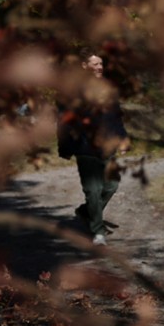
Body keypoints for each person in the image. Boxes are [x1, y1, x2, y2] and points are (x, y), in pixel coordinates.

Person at [57, 50, 130, 246]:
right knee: (93, 190)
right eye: (95, 64)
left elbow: (116, 118)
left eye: (101, 64)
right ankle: (98, 231)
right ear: (84, 66)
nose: (99, 67)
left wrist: (122, 139)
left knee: (112, 185)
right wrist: (64, 147)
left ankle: (85, 212)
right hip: (85, 147)